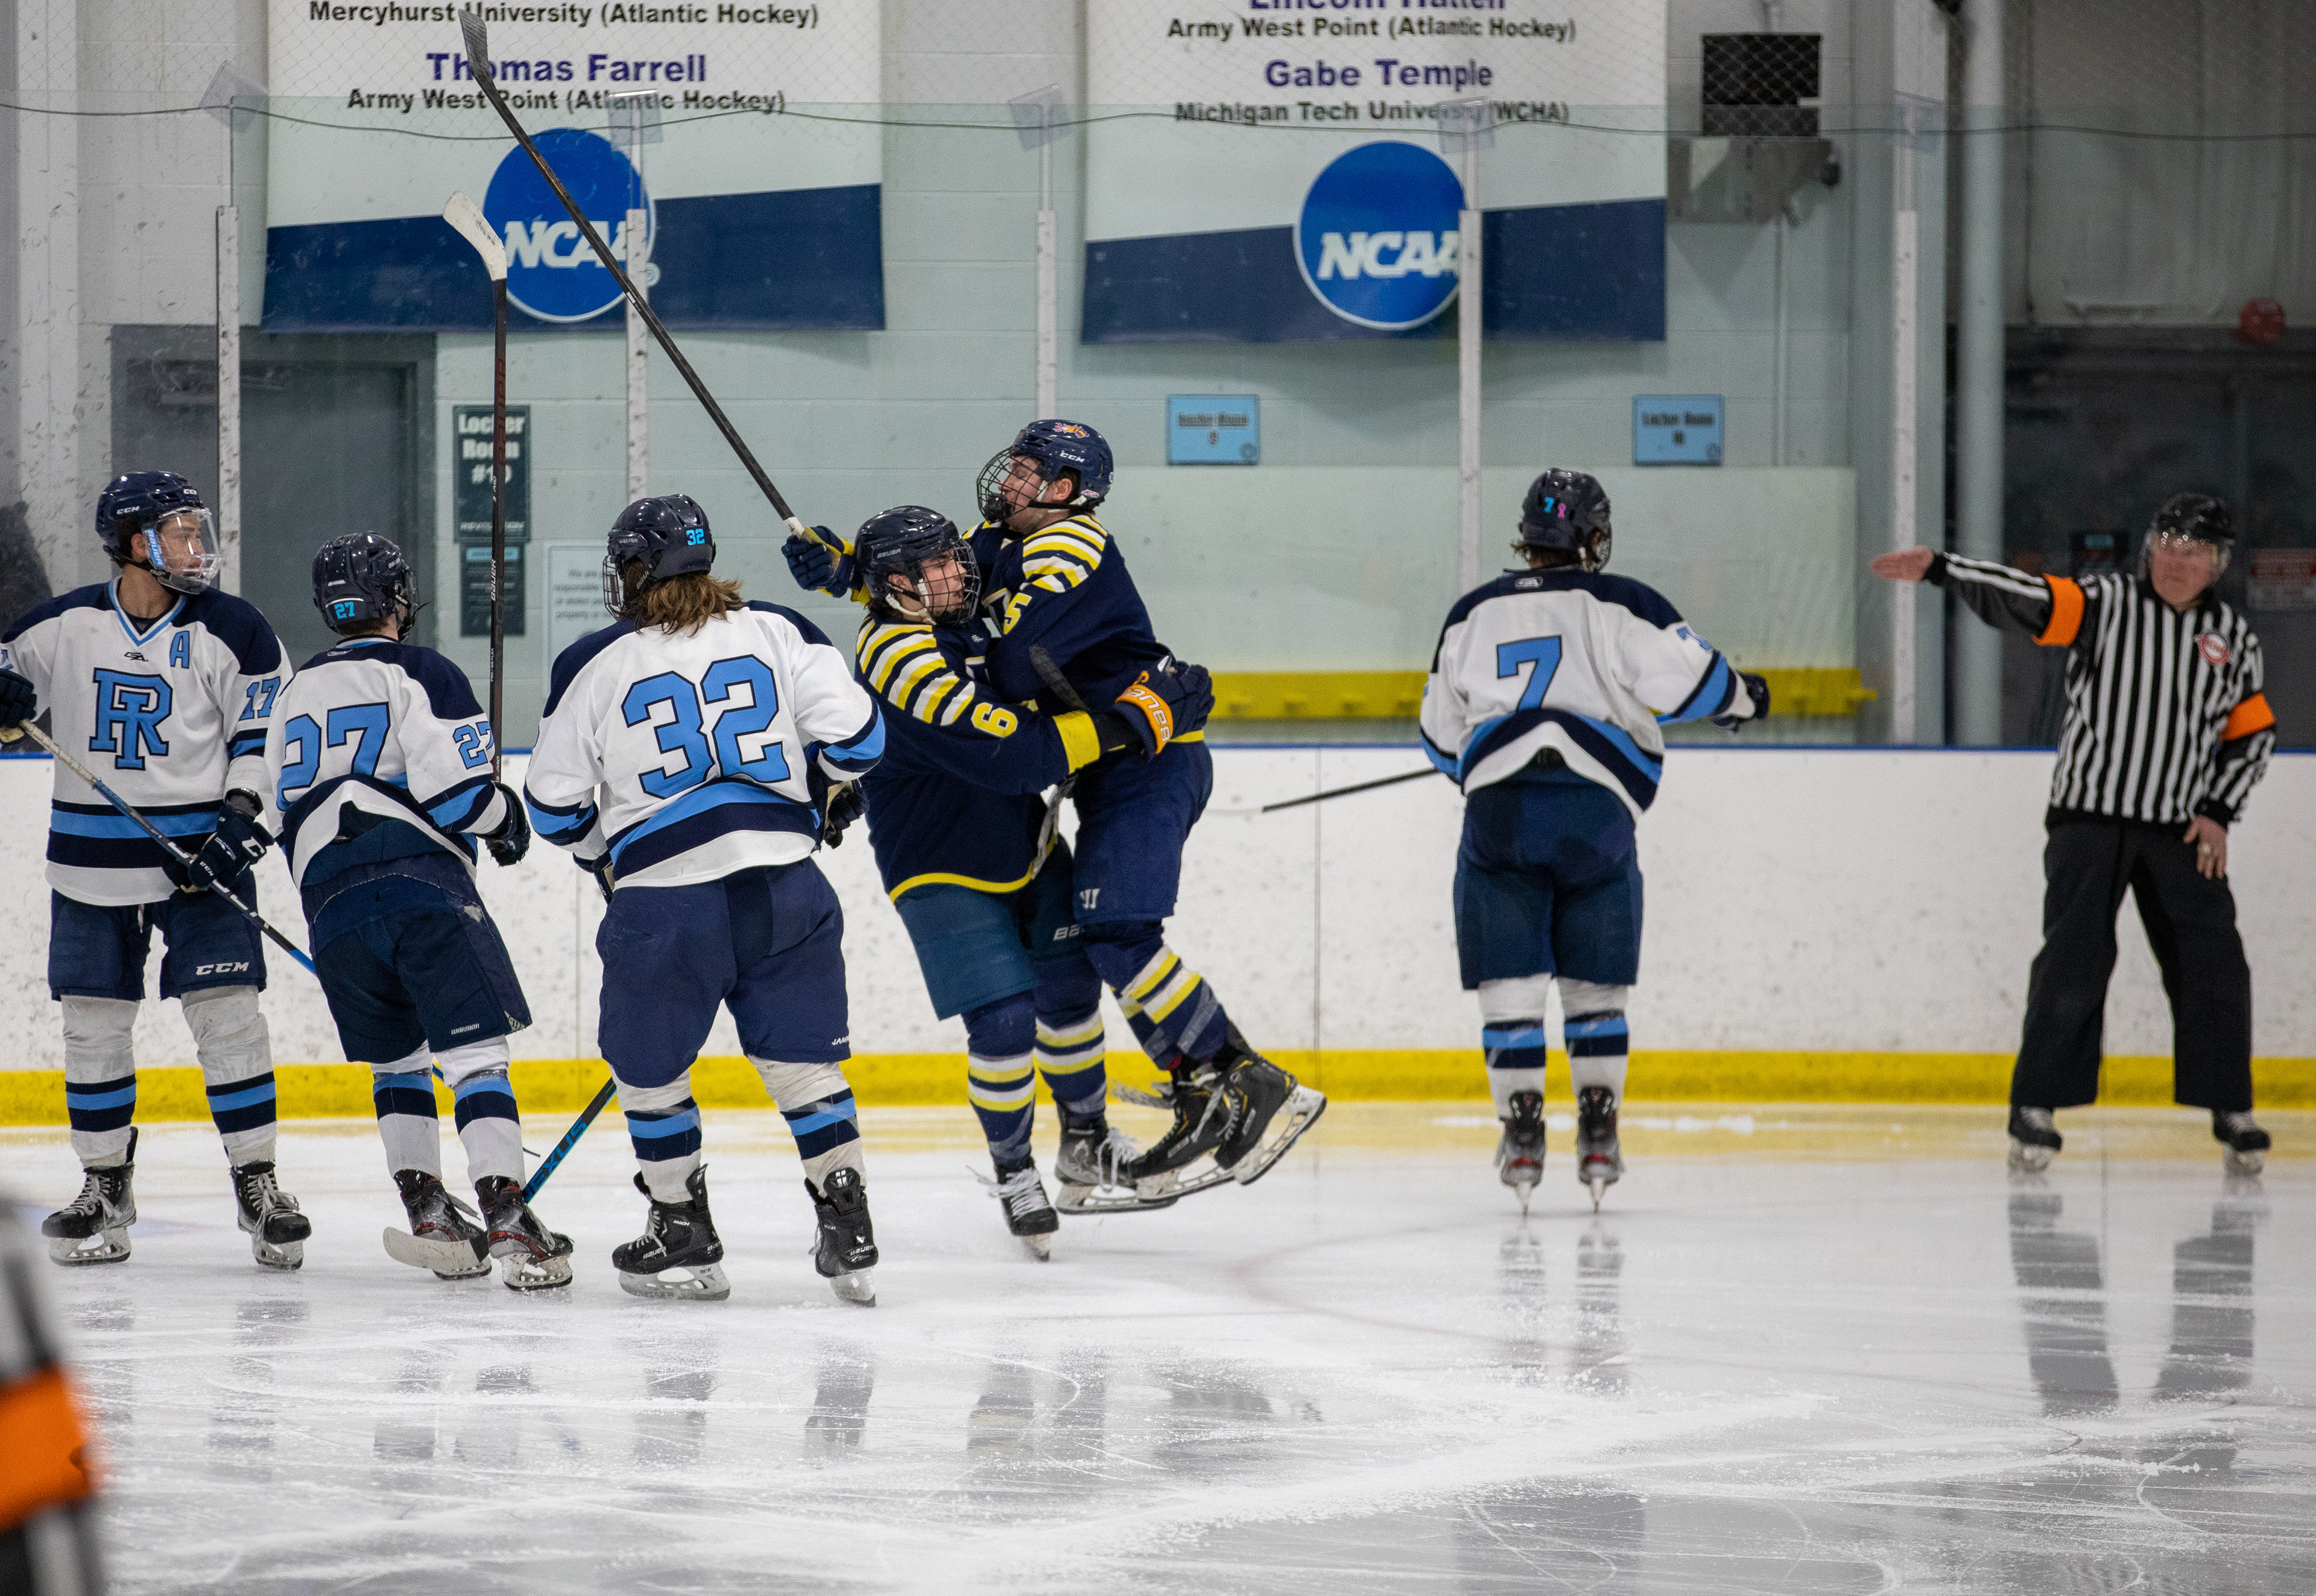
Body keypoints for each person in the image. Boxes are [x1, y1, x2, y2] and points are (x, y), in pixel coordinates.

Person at [526, 494, 887, 1304]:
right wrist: (822, 789)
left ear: (632, 571)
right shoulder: (780, 627)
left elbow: (550, 807)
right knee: (805, 1067)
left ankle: (683, 1231)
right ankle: (850, 1227)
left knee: (650, 1077)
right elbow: (862, 741)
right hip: (787, 890)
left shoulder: (597, 658)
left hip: (665, 906)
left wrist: (603, 858)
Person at [1873, 492, 2276, 1175]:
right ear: (2151, 547)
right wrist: (1942, 568)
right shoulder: (2106, 602)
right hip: (2090, 819)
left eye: (2196, 550)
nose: (2178, 559)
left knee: (2214, 966)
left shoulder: (2233, 640)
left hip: (2180, 828)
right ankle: (2036, 1107)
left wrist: (2219, 811)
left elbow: (2251, 736)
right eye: (2169, 543)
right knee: (2074, 962)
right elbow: (2025, 596)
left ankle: (2231, 1106)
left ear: (2218, 565)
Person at [1420, 470, 1768, 1211]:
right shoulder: (1622, 602)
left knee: (1509, 985)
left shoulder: (1471, 613)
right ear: (1595, 536)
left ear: (1527, 535)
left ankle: (1521, 1132)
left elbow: (1439, 735)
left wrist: (1490, 766)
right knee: (1594, 985)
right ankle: (1600, 1129)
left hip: (1500, 815)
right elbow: (1696, 682)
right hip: (1596, 815)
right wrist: (1746, 698)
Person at [837, 505, 1180, 1255]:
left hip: (1023, 841)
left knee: (1071, 992)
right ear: (897, 585)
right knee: (1003, 1021)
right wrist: (1136, 720)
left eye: (957, 558)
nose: (960, 571)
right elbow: (1020, 757)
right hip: (937, 864)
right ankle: (1014, 1168)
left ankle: (1085, 1139)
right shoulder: (897, 657)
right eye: (939, 565)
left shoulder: (950, 624)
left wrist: (842, 570)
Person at [0, 472, 309, 1269]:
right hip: (91, 867)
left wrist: (240, 818)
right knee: (94, 1026)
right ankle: (105, 1184)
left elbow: (265, 734)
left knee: (228, 1013)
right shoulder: (66, 623)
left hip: (200, 864)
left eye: (197, 530)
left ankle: (259, 1181)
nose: (196, 547)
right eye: (178, 532)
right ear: (135, 542)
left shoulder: (235, 628)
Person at [265, 532, 569, 1289]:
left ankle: (429, 1208)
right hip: (423, 891)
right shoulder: (419, 669)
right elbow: (459, 794)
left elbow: (282, 811)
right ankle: (507, 1214)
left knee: (396, 1059)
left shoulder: (294, 690)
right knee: (474, 1057)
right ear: (396, 596)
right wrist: (506, 821)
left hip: (330, 906)